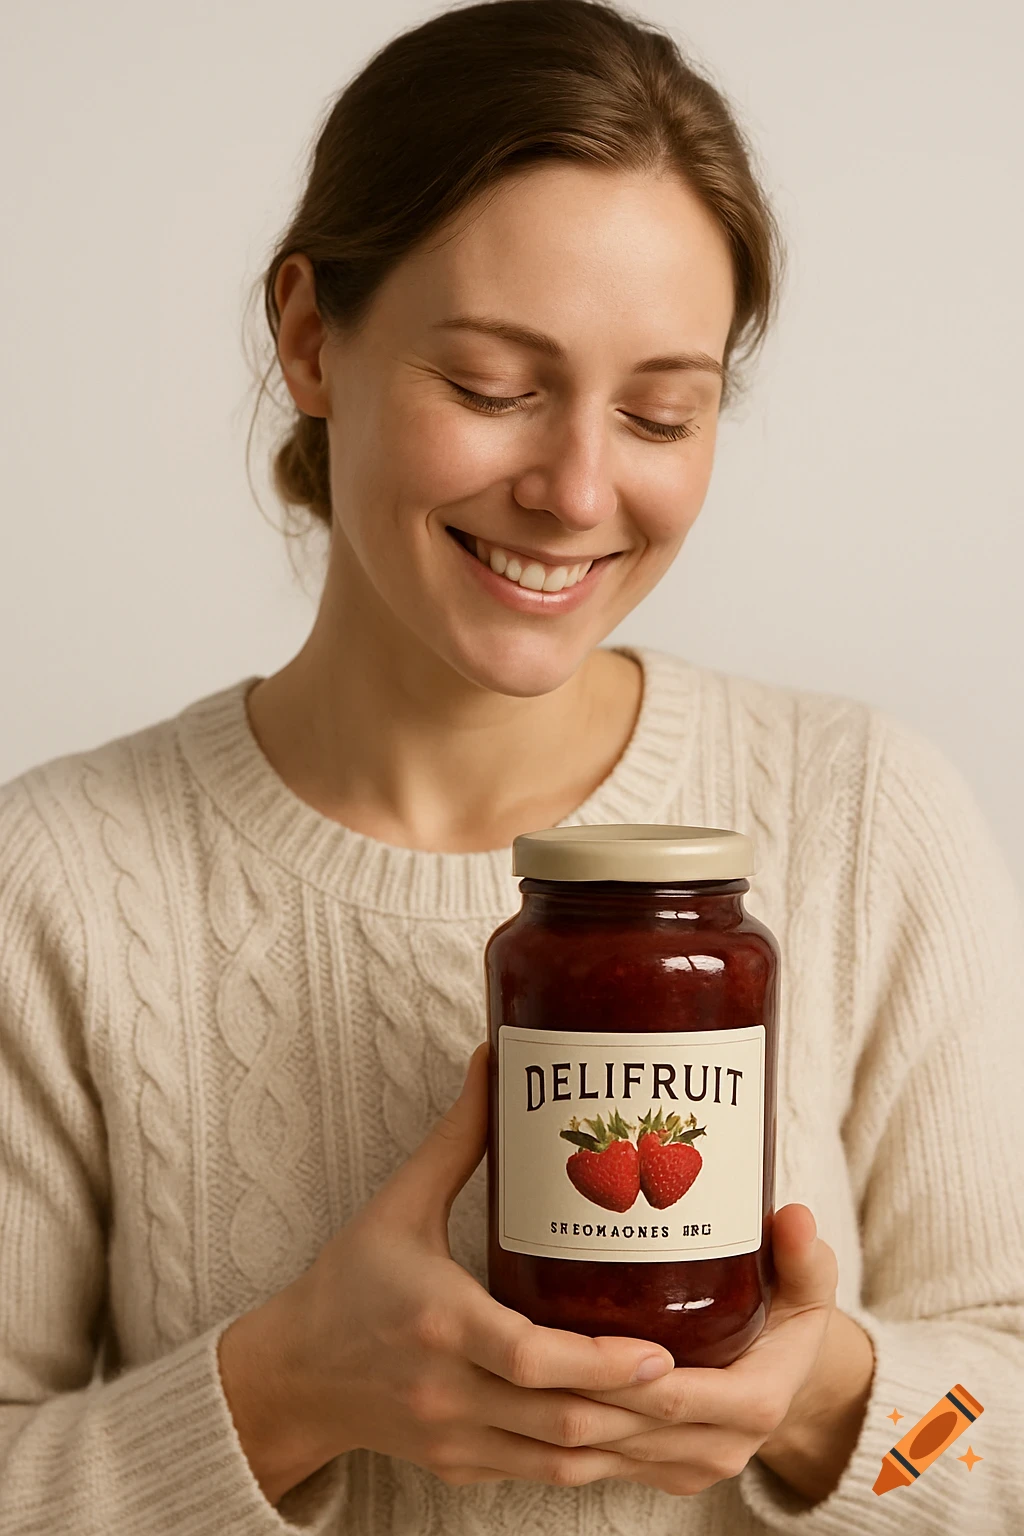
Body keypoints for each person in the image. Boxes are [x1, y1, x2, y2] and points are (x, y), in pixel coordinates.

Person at [1, 0, 1021, 1532]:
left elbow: (991, 1433)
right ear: (308, 339)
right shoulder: (63, 879)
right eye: (491, 387)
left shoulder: (867, 816)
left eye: (663, 410)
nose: (578, 489)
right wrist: (281, 1394)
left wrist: (825, 1405)